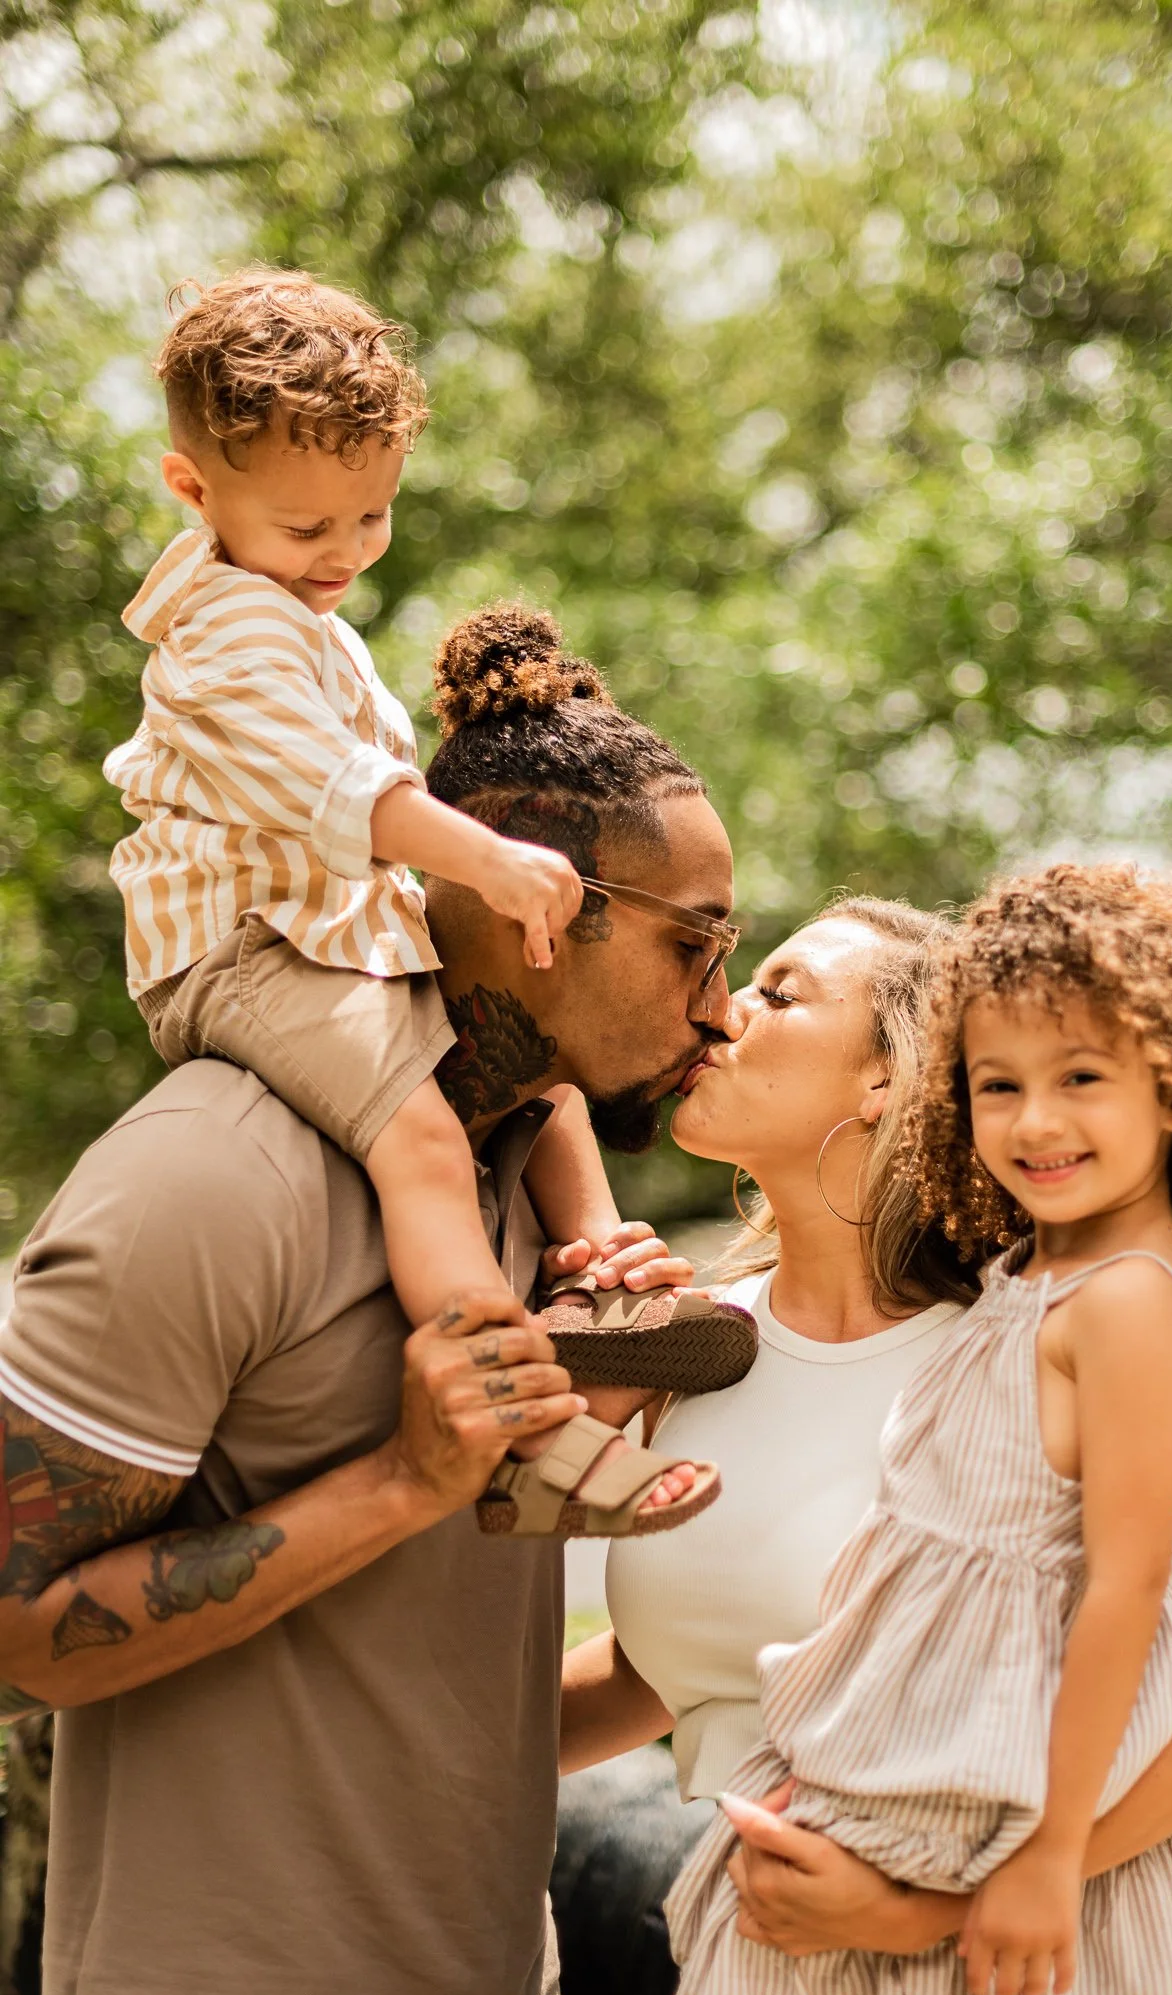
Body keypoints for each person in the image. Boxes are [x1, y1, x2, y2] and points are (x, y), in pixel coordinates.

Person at [0, 609, 738, 1995]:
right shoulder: (212, 1179)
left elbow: (441, 1683)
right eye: (694, 945)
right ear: (540, 917)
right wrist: (401, 1484)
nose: (717, 1009)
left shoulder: (528, 1189)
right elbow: (20, 1635)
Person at [559, 893, 1172, 1995]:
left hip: (1041, 1983)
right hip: (783, 1985)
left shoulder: (1036, 1342)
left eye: (781, 991)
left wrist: (930, 1913)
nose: (720, 1009)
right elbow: (696, 1665)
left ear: (885, 1079)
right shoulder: (691, 1346)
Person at [102, 270, 730, 1526]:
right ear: (194, 491)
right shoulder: (228, 634)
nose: (342, 554)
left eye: (372, 517)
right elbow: (336, 789)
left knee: (530, 1058)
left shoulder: (296, 612)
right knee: (424, 1141)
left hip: (329, 934)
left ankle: (595, 1270)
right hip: (245, 951)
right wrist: (482, 858)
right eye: (307, 528)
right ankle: (516, 1428)